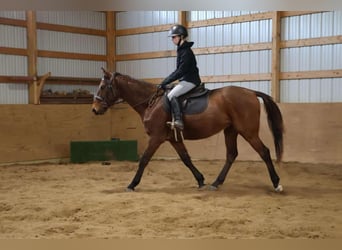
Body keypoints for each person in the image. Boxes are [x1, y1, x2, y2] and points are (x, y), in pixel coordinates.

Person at [158, 24, 201, 130]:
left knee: (171, 95)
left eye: (174, 37)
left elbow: (181, 71)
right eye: (172, 37)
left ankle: (178, 120)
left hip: (190, 80)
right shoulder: (181, 50)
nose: (172, 39)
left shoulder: (186, 52)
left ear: (181, 37)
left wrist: (165, 81)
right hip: (186, 79)